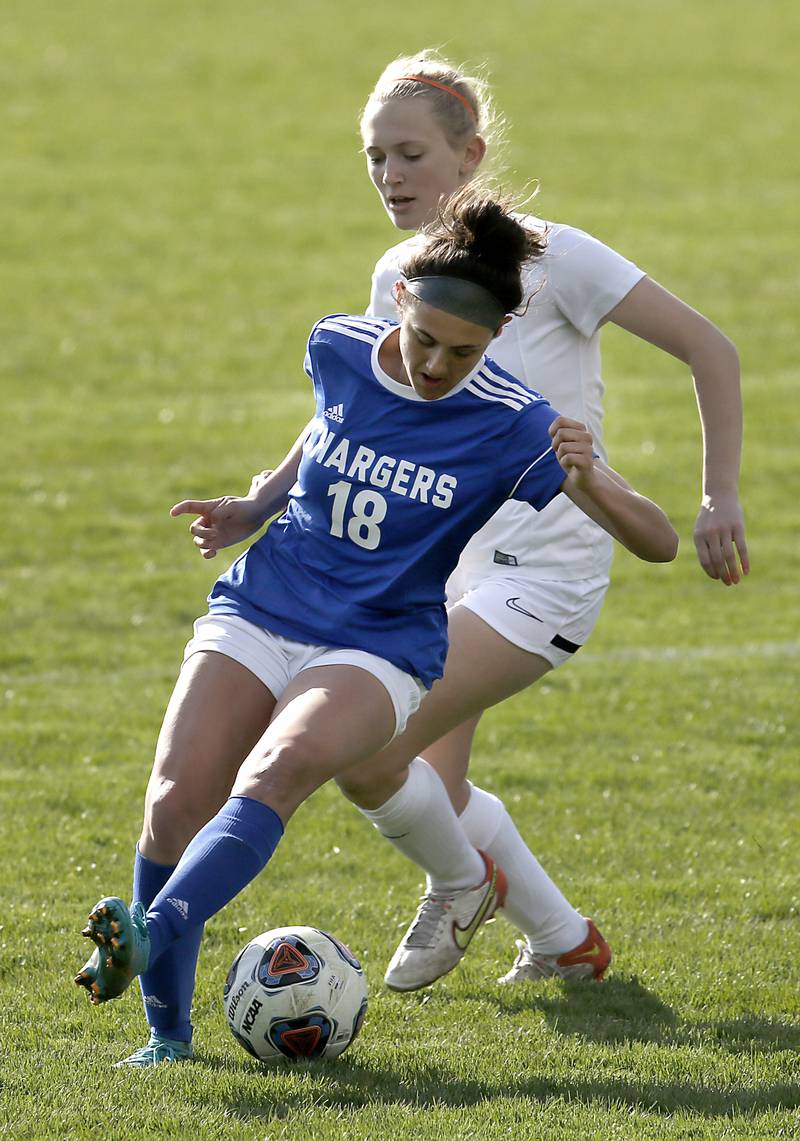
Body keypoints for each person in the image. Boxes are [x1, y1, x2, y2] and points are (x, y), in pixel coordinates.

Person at [74, 188, 678, 1068]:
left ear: (498, 337)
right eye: (425, 338)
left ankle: (152, 927)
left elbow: (658, 542)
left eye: (463, 350)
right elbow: (326, 431)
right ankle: (167, 1037)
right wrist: (255, 504)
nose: (437, 364)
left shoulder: (514, 423)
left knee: (281, 768)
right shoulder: (338, 345)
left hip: (380, 644)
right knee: (172, 804)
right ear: (399, 301)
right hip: (266, 603)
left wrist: (590, 480)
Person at [323, 52, 748, 994]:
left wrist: (719, 495)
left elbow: (709, 350)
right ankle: (565, 943)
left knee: (369, 745)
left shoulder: (556, 258)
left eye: (409, 154)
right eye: (373, 157)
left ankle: (457, 886)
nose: (390, 176)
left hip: (541, 578)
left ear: (469, 156)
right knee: (438, 783)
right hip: (447, 569)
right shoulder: (396, 274)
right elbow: (380, 425)